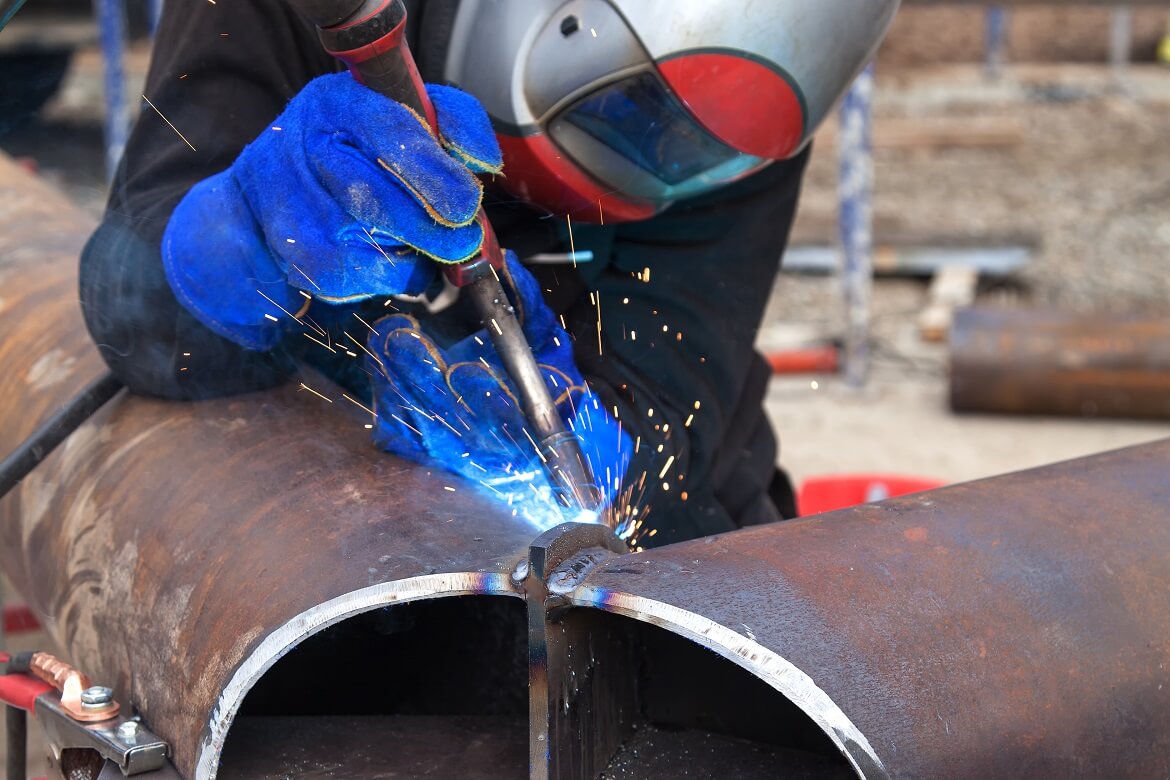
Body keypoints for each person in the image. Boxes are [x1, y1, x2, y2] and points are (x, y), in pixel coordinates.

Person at [79, 0, 895, 547]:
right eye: (633, 116)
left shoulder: (756, 96)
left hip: (687, 524)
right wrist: (238, 242)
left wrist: (602, 444)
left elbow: (678, 385)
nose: (665, 165)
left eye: (701, 155)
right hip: (314, 532)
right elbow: (131, 316)